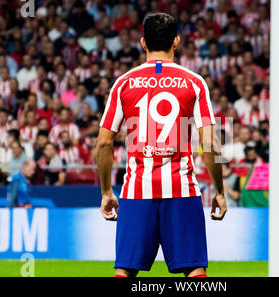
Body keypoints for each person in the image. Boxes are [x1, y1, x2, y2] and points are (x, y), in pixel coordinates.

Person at [96, 13, 227, 278]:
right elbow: (210, 143)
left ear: (143, 43)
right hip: (181, 188)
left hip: (136, 191)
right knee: (194, 270)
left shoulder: (123, 83)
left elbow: (103, 143)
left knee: (124, 270)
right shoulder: (194, 82)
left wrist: (107, 191)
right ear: (176, 41)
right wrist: (219, 191)